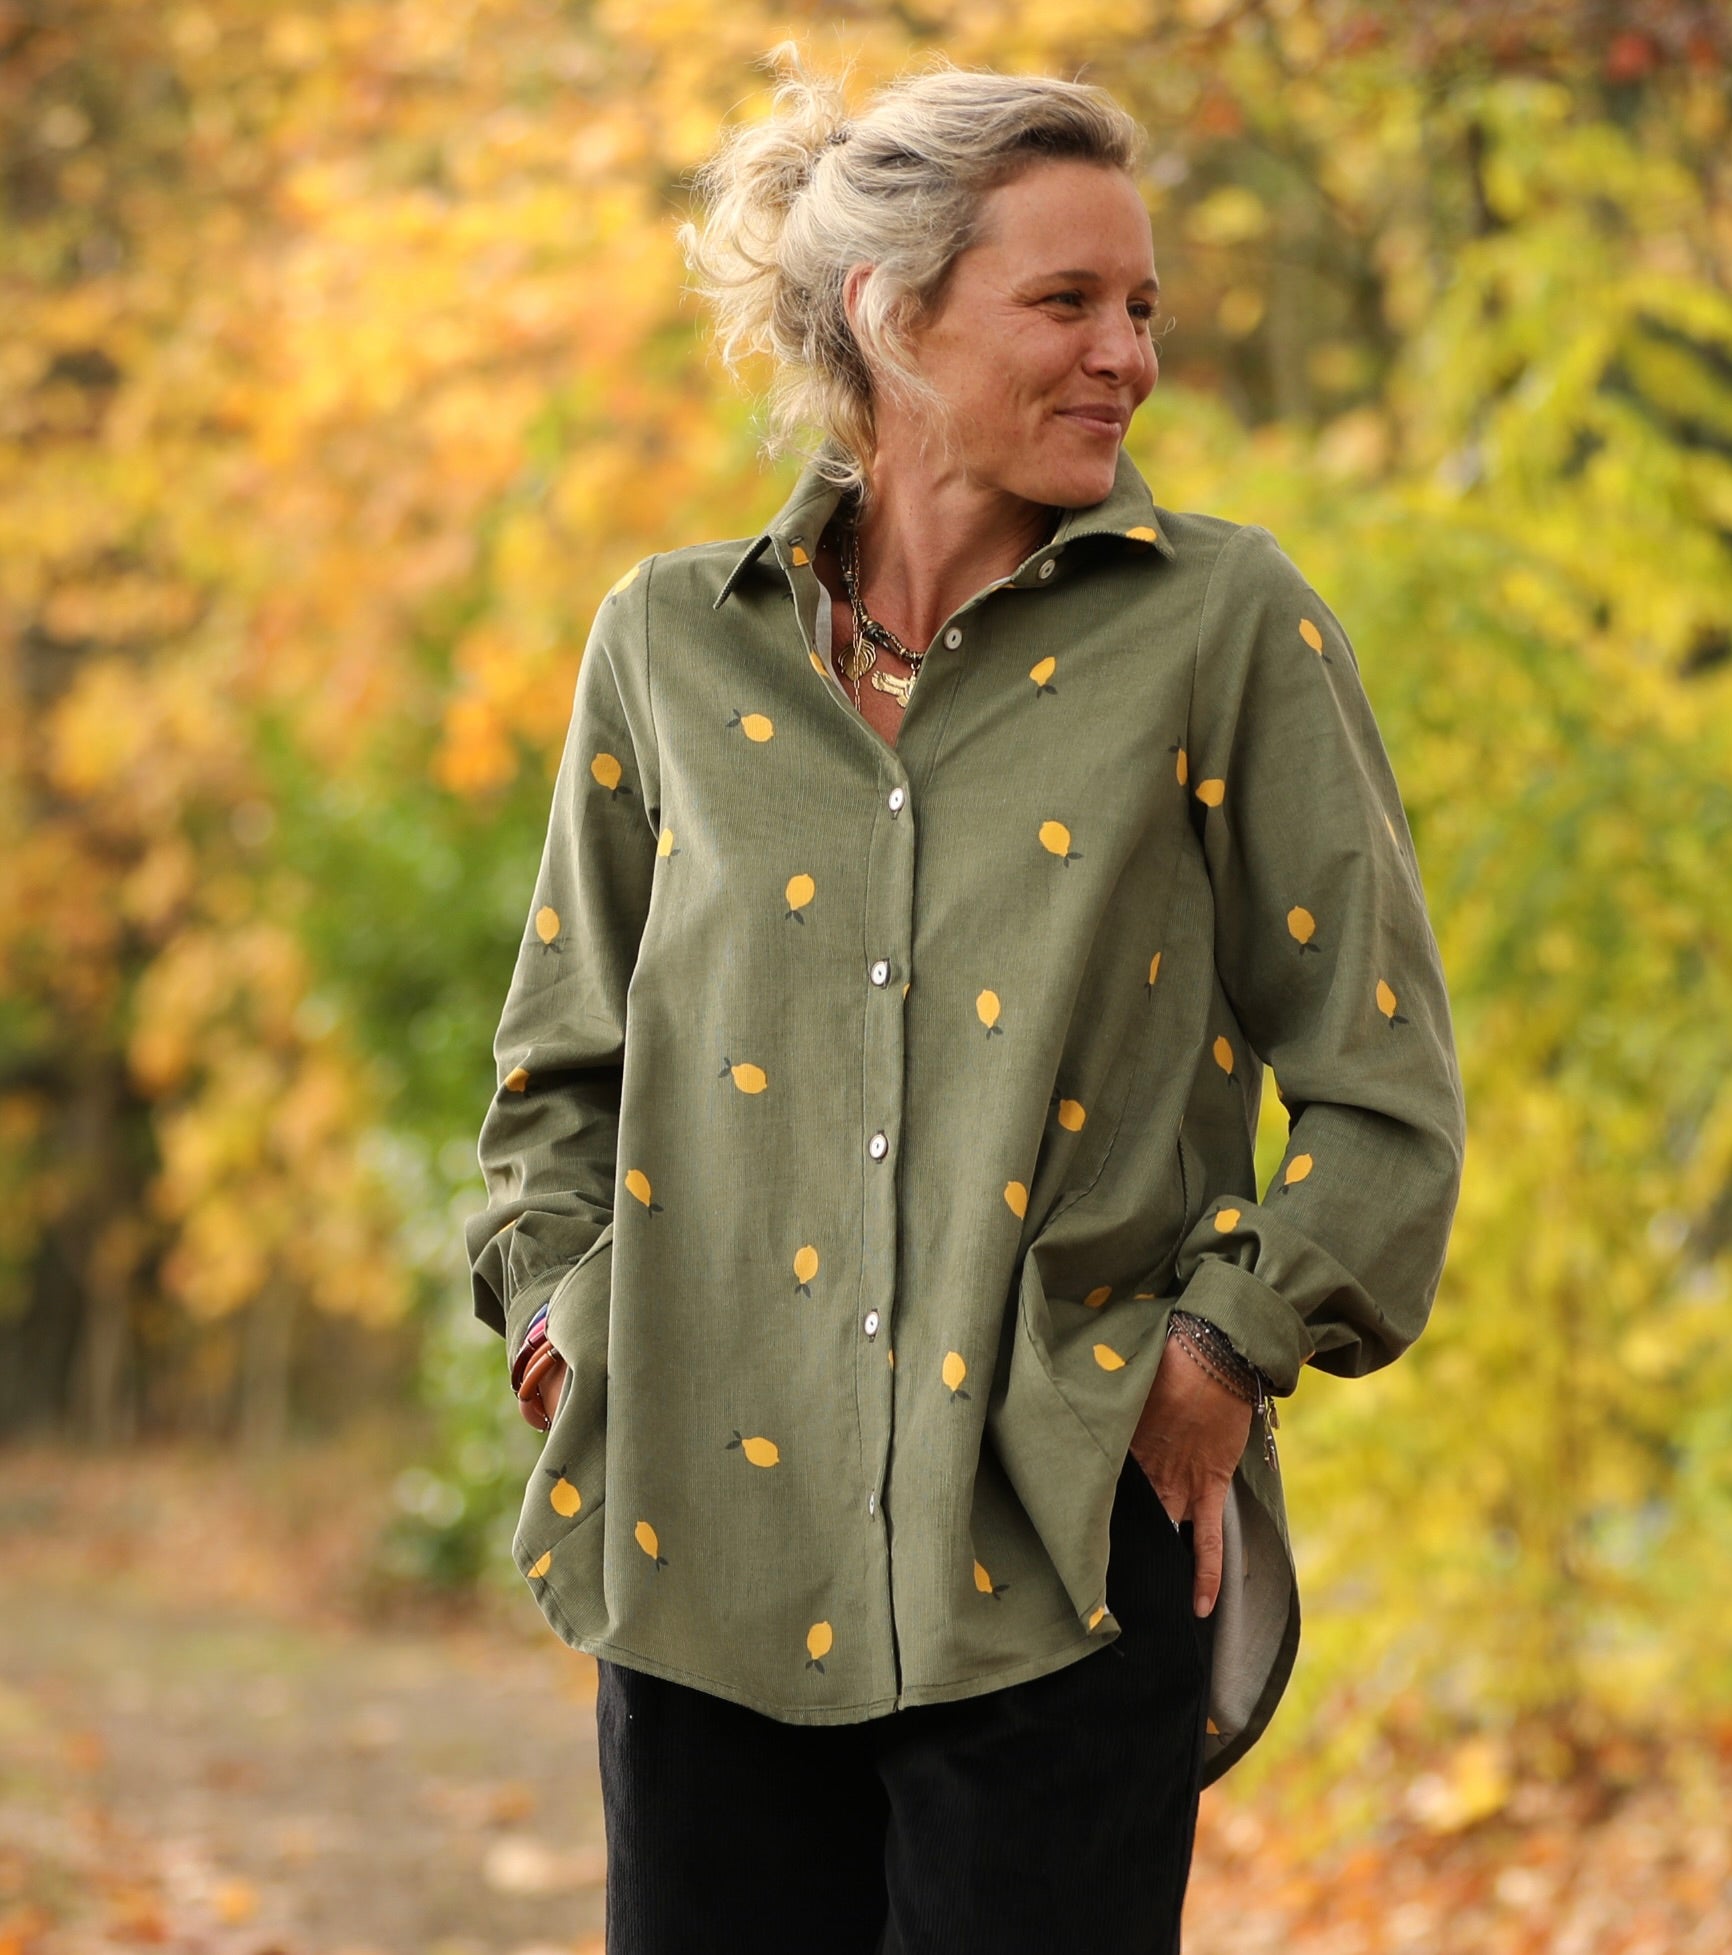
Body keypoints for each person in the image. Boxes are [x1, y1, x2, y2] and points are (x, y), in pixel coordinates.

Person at [463, 45, 1466, 1955]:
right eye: (1066, 301)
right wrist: (563, 1327)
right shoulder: (666, 646)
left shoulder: (1224, 625)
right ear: (889, 314)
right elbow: (557, 1071)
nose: (1127, 357)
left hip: (1063, 1541)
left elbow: (1383, 1083)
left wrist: (1220, 1355)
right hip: (700, 1550)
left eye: (1143, 308)